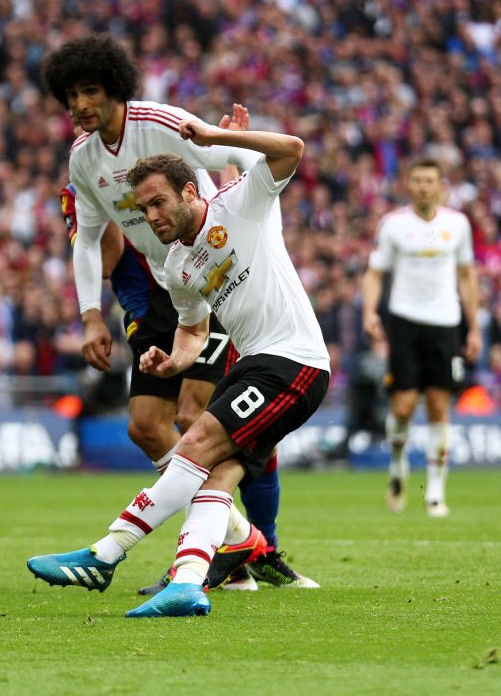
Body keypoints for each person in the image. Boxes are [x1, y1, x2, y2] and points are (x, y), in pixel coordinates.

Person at [29, 33, 314, 594]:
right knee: (145, 426)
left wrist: (233, 160)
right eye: (72, 95)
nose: (82, 104)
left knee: (202, 420)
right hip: (167, 284)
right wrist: (91, 314)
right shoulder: (84, 159)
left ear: (113, 85)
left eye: (91, 90)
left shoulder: (160, 123)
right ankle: (233, 541)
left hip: (210, 274)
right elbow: (87, 239)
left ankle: (253, 550)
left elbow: (236, 156)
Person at [361, 159, 480, 517]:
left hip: (445, 321)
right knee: (402, 406)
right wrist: (370, 312)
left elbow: (466, 275)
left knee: (439, 407)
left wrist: (472, 327)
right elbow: (375, 273)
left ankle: (436, 492)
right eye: (417, 180)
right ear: (409, 185)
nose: (424, 186)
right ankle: (398, 467)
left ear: (441, 185)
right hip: (405, 321)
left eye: (430, 180)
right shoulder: (394, 225)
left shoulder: (457, 224)